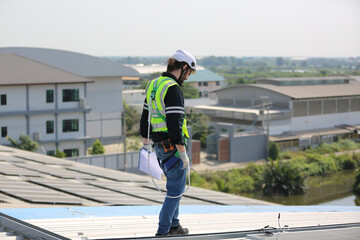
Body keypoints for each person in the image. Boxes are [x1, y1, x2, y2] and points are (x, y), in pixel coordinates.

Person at [140, 49, 196, 237]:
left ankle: (174, 225)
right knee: (175, 191)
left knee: (174, 187)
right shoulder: (173, 89)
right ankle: (163, 231)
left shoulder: (153, 85)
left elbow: (145, 115)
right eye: (188, 73)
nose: (187, 77)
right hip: (172, 148)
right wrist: (182, 151)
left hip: (159, 146)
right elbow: (174, 123)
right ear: (184, 67)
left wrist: (145, 140)